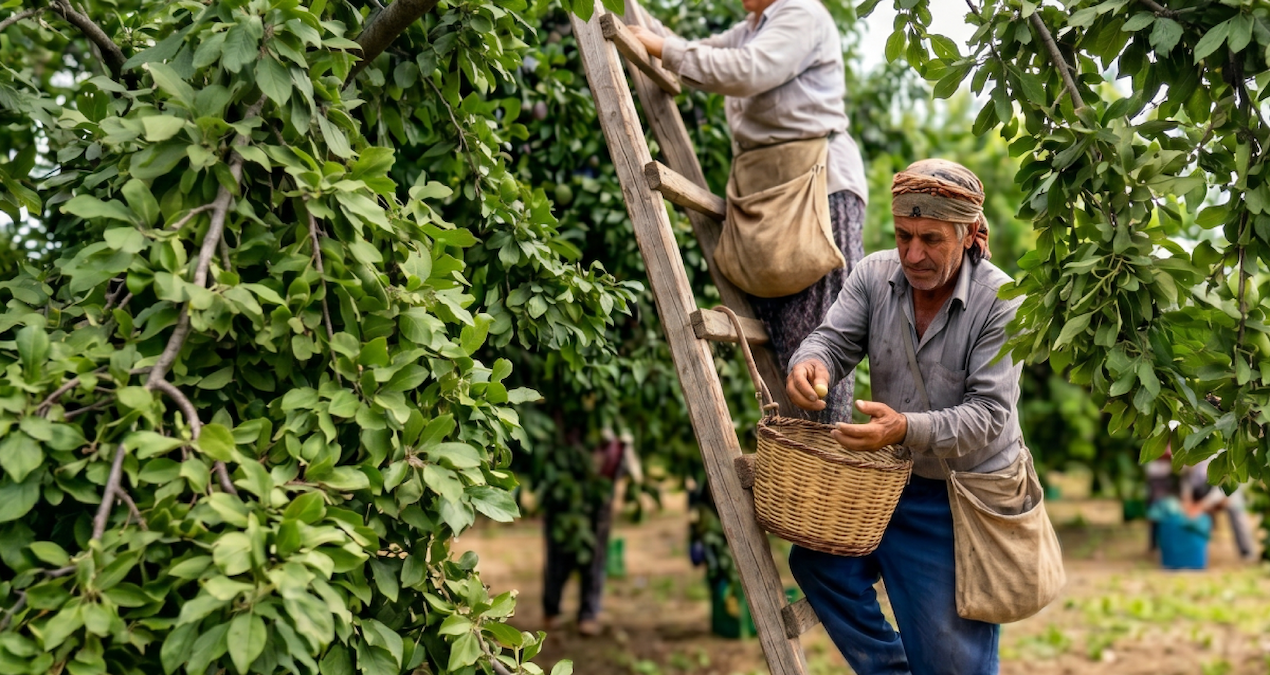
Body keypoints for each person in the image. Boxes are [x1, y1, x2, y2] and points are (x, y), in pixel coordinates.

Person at [782, 159, 1019, 674]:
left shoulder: (999, 302)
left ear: (968, 235)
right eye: (903, 236)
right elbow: (832, 340)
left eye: (931, 239)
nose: (913, 254)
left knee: (954, 665)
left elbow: (990, 416)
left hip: (962, 498)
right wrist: (811, 363)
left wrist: (905, 428)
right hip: (891, 485)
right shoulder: (873, 275)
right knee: (819, 563)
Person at [627, 0, 871, 423]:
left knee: (818, 338)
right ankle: (802, 446)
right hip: (772, 189)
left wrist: (662, 47)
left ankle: (822, 449)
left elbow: (746, 70)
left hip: (815, 186)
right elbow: (699, 50)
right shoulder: (751, 27)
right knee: (787, 337)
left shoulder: (802, 14)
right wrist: (648, 31)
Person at [541, 429, 635, 636]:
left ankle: (588, 615)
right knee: (558, 558)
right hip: (563, 498)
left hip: (599, 499)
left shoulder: (614, 428)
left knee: (594, 558)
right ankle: (552, 611)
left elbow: (624, 464)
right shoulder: (564, 424)